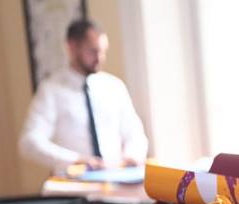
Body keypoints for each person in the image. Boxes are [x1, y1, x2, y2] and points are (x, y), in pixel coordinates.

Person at [19, 19, 147, 173]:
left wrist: (131, 155)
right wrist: (77, 160)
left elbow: (135, 133)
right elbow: (29, 142)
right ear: (72, 47)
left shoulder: (115, 87)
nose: (100, 58)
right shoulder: (51, 90)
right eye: (93, 51)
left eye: (103, 51)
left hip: (115, 178)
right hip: (73, 181)